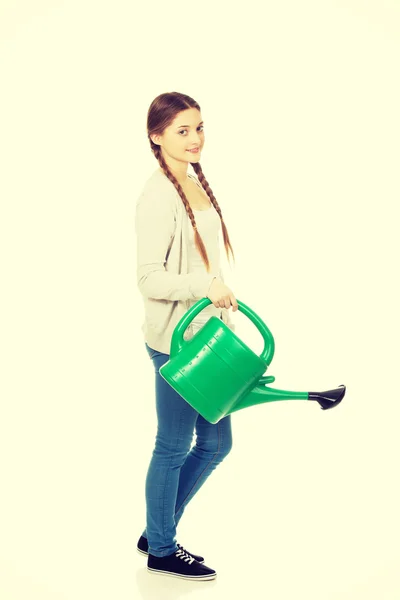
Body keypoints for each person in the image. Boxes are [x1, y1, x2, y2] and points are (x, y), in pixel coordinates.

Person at [134, 92, 239, 581]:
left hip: (207, 338)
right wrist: (206, 287)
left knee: (216, 444)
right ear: (157, 136)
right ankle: (161, 548)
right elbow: (150, 280)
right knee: (174, 446)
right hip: (177, 342)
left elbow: (206, 261)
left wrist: (220, 303)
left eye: (200, 128)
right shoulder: (158, 195)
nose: (195, 139)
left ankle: (157, 525)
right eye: (182, 130)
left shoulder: (194, 180)